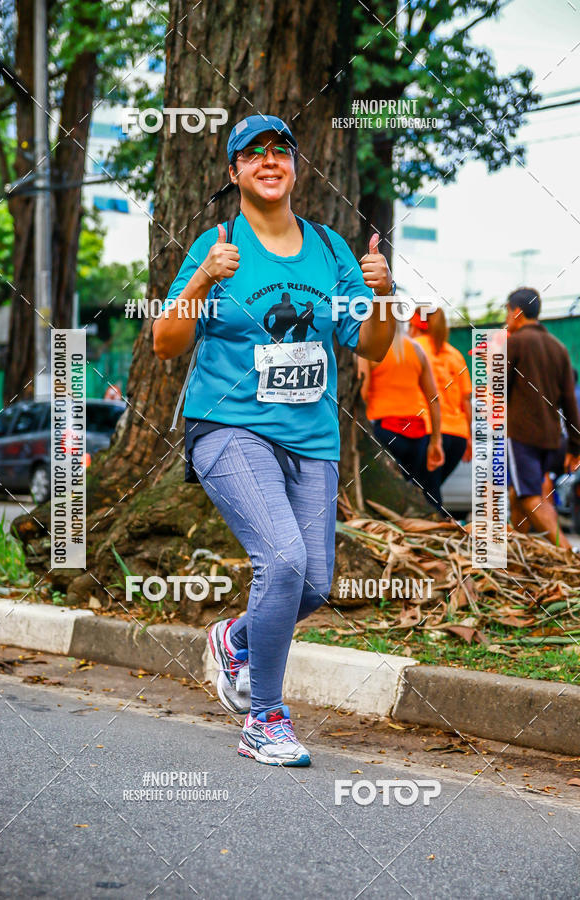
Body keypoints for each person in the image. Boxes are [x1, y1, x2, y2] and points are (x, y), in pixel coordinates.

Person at [153, 113, 396, 766]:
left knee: (312, 583)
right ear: (234, 172)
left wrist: (384, 297)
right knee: (282, 561)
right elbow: (164, 343)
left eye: (280, 150)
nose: (268, 160)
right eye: (252, 153)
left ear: (295, 166)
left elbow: (369, 343)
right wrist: (204, 278)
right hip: (228, 430)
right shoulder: (220, 241)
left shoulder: (327, 247)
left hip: (311, 439)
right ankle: (265, 719)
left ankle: (234, 638)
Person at [505, 288, 580, 548]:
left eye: (507, 312)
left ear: (516, 312)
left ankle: (568, 552)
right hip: (552, 438)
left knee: (529, 496)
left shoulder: (514, 343)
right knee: (517, 494)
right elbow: (570, 401)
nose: (506, 319)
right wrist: (575, 445)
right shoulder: (558, 348)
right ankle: (517, 551)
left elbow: (497, 386)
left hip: (522, 436)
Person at [357, 322, 444, 508]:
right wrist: (436, 441)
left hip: (386, 430)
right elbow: (434, 399)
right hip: (418, 433)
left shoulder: (369, 349)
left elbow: (361, 393)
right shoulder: (416, 349)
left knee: (389, 489)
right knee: (417, 488)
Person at [410, 306, 472, 512]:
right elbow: (466, 403)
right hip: (458, 436)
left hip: (429, 433)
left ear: (414, 324)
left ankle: (434, 528)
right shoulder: (455, 355)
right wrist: (470, 439)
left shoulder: (414, 348)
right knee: (429, 488)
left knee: (428, 491)